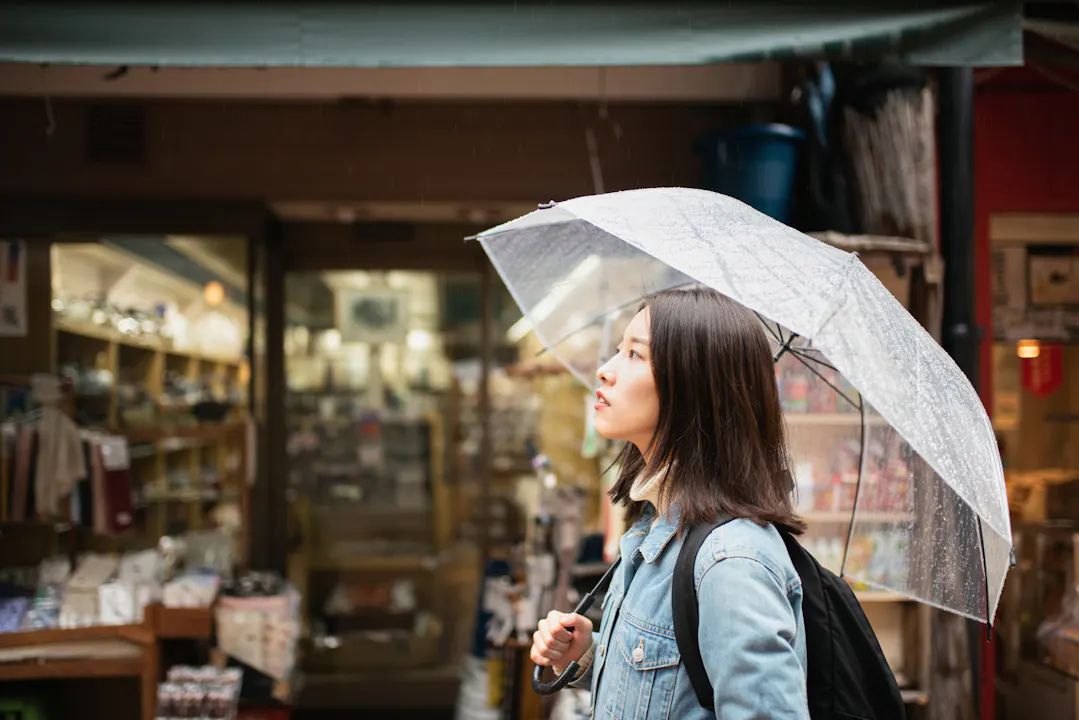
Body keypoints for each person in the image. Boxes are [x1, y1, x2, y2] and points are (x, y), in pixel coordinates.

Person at [530, 287, 810, 719]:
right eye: (618, 351)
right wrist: (590, 652)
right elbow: (675, 684)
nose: (605, 371)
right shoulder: (656, 523)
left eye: (634, 355)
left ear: (693, 384)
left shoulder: (731, 561)